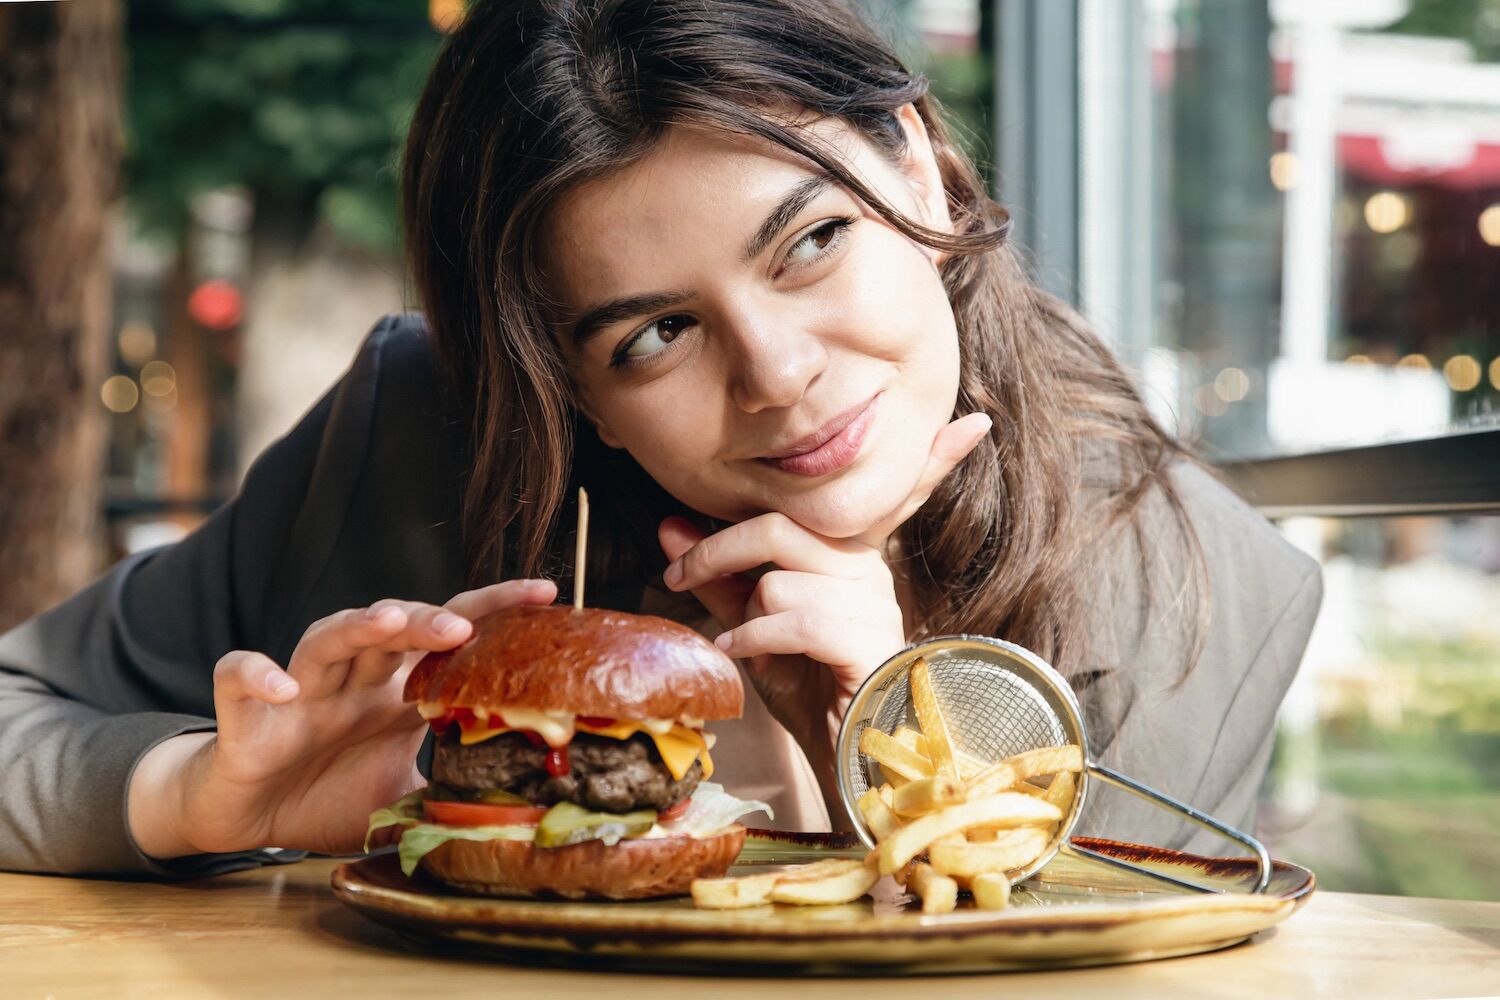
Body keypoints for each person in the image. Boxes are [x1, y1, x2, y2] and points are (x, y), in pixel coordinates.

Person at [0, 0, 1320, 879]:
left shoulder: (1195, 583)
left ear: (915, 169)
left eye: (811, 243)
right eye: (653, 337)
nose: (779, 375)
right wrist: (200, 797)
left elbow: (1141, 944)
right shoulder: (417, 435)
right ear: (563, 385)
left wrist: (901, 777)